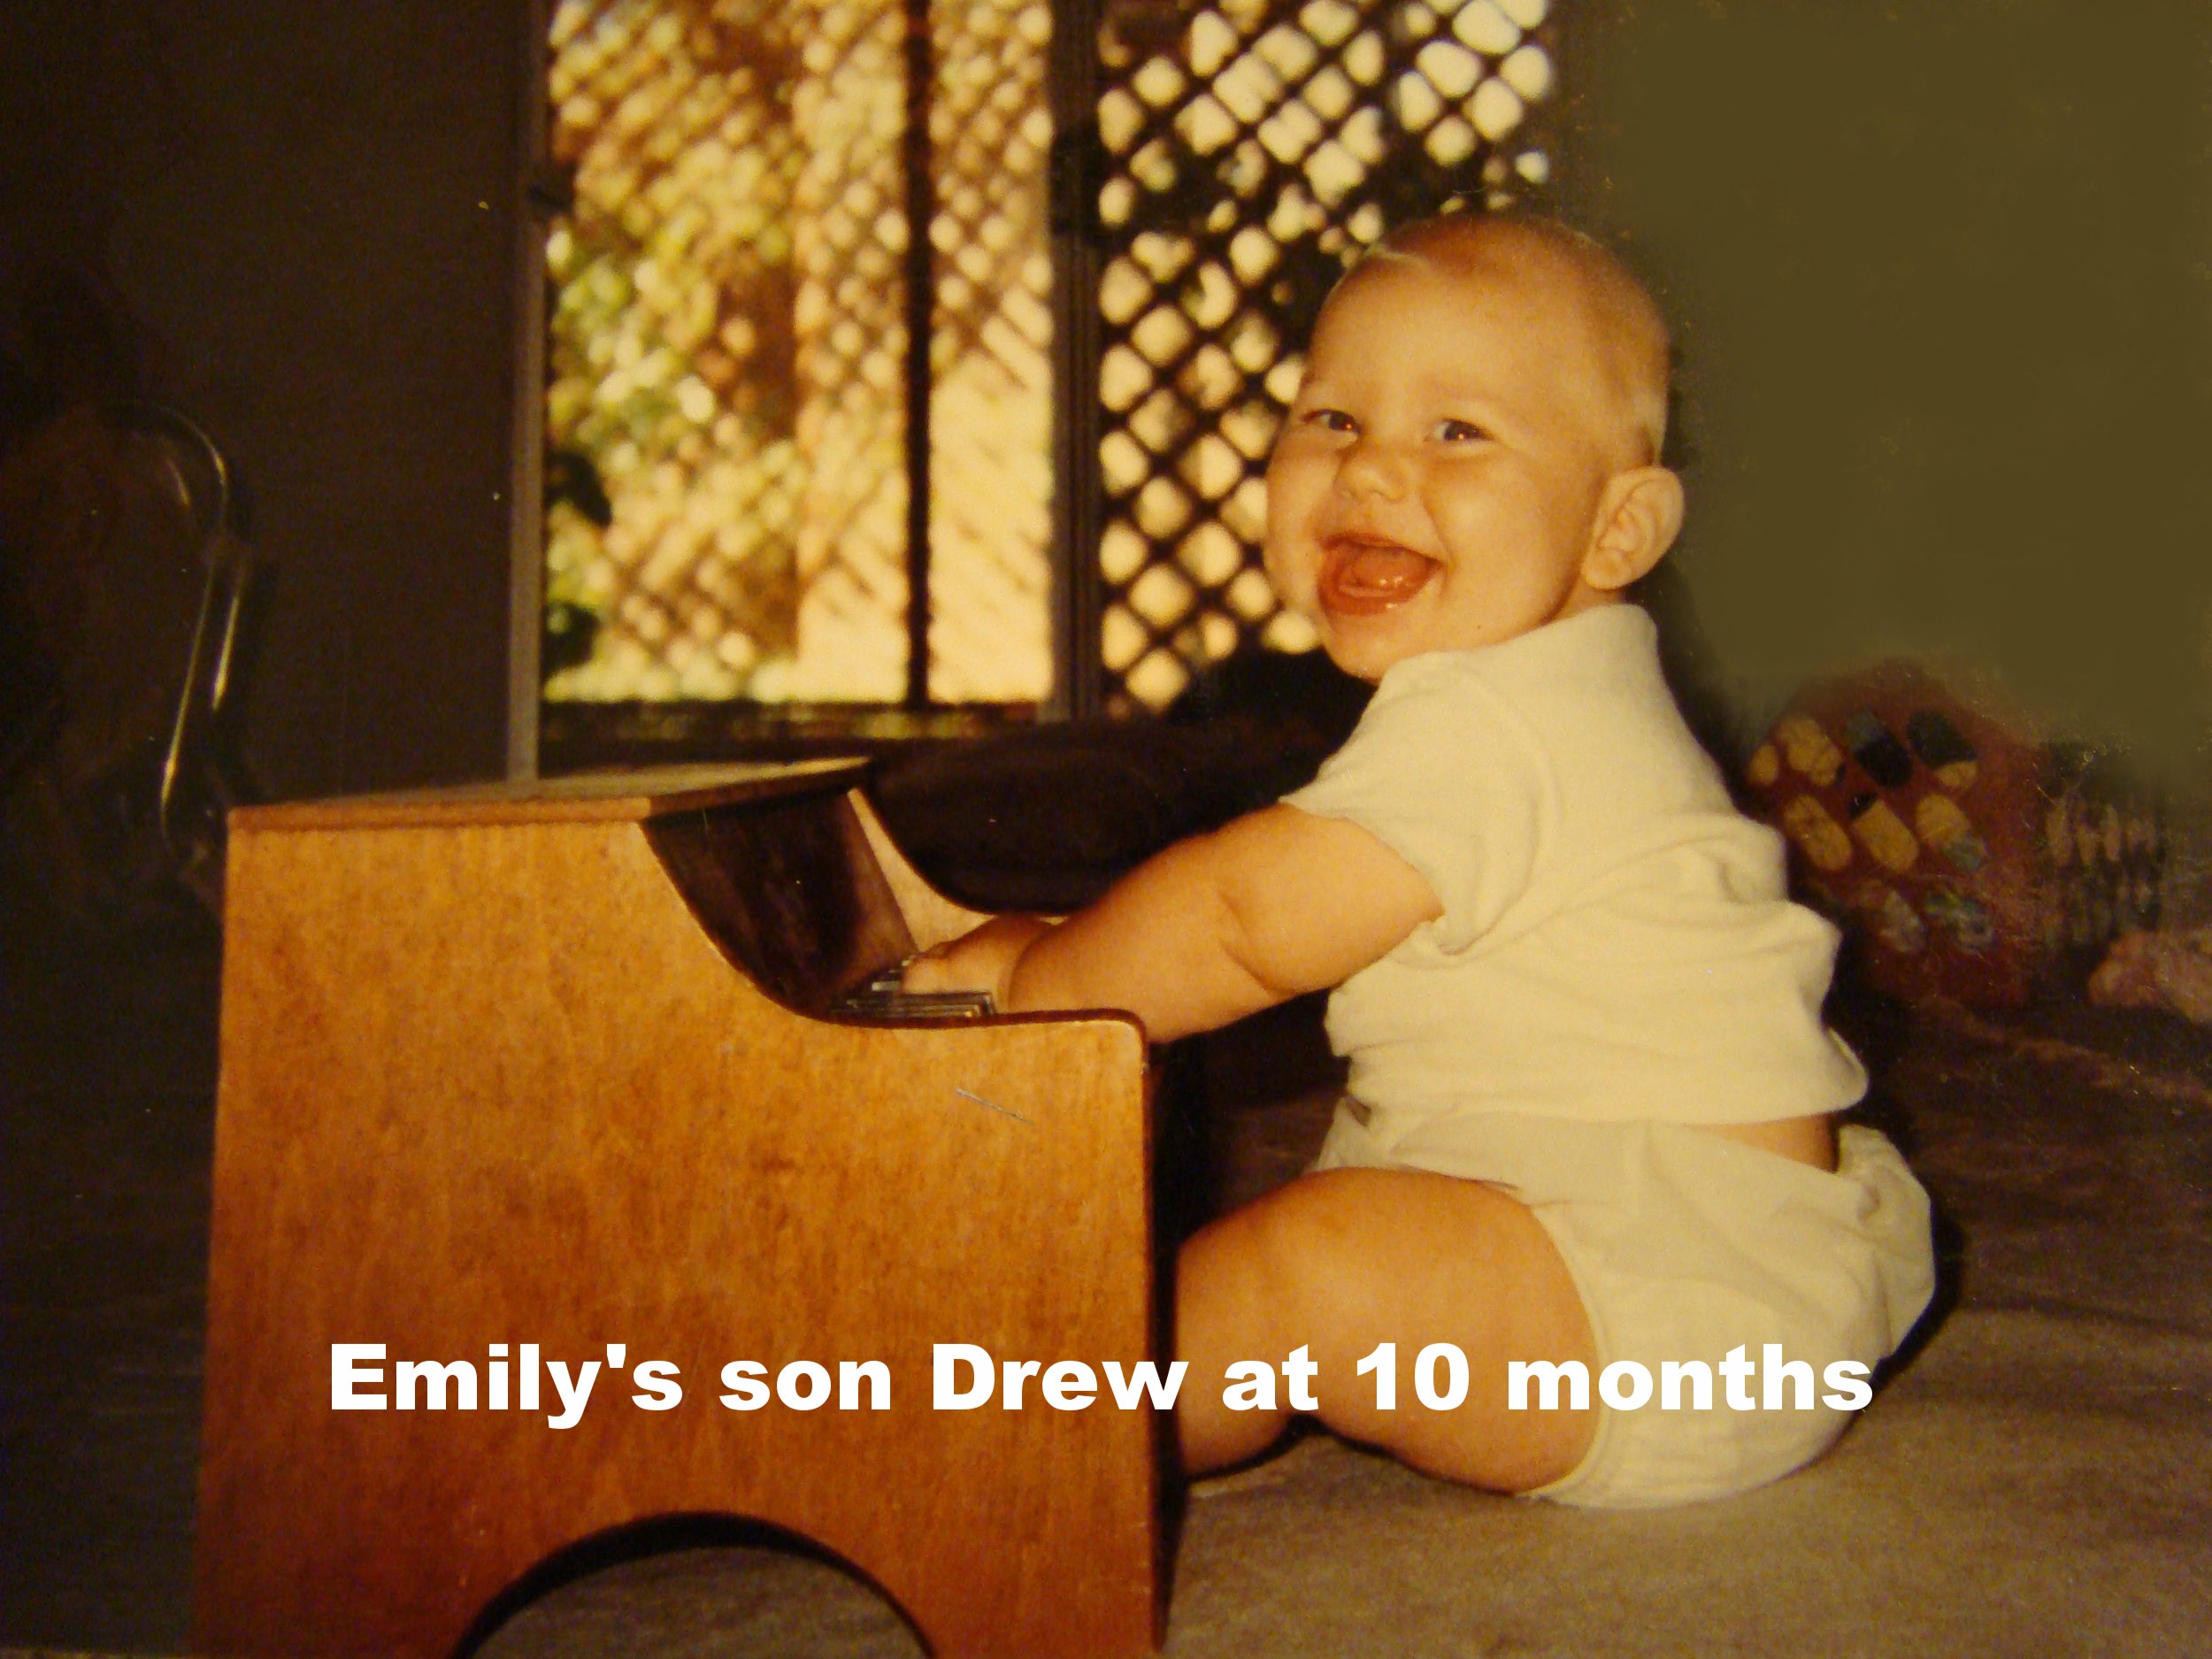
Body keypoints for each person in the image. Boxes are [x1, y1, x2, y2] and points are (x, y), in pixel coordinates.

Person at [905, 214, 1934, 1507]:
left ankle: (1018, 1433)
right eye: (1332, 419)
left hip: (1661, 1301)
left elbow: (1239, 920)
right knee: (1340, 1231)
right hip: (1646, 1249)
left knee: (1303, 1276)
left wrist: (1042, 985)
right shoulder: (1540, 692)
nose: (1374, 472)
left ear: (1617, 533)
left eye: (1458, 433)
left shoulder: (1509, 721)